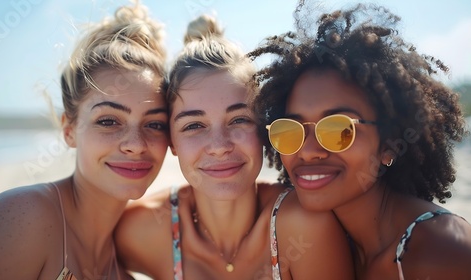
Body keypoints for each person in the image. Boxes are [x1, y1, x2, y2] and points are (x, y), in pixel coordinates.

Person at [115, 14, 353, 280]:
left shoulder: (304, 229)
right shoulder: (140, 231)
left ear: (264, 129)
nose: (219, 146)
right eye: (194, 125)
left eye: (239, 119)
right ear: (171, 141)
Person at [250, 2, 471, 279]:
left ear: (389, 143)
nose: (308, 151)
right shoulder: (322, 249)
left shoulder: (440, 251)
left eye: (338, 129)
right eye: (290, 130)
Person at [0, 2, 168, 279]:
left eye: (154, 124)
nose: (135, 144)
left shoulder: (122, 273)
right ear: (69, 129)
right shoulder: (25, 215)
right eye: (108, 121)